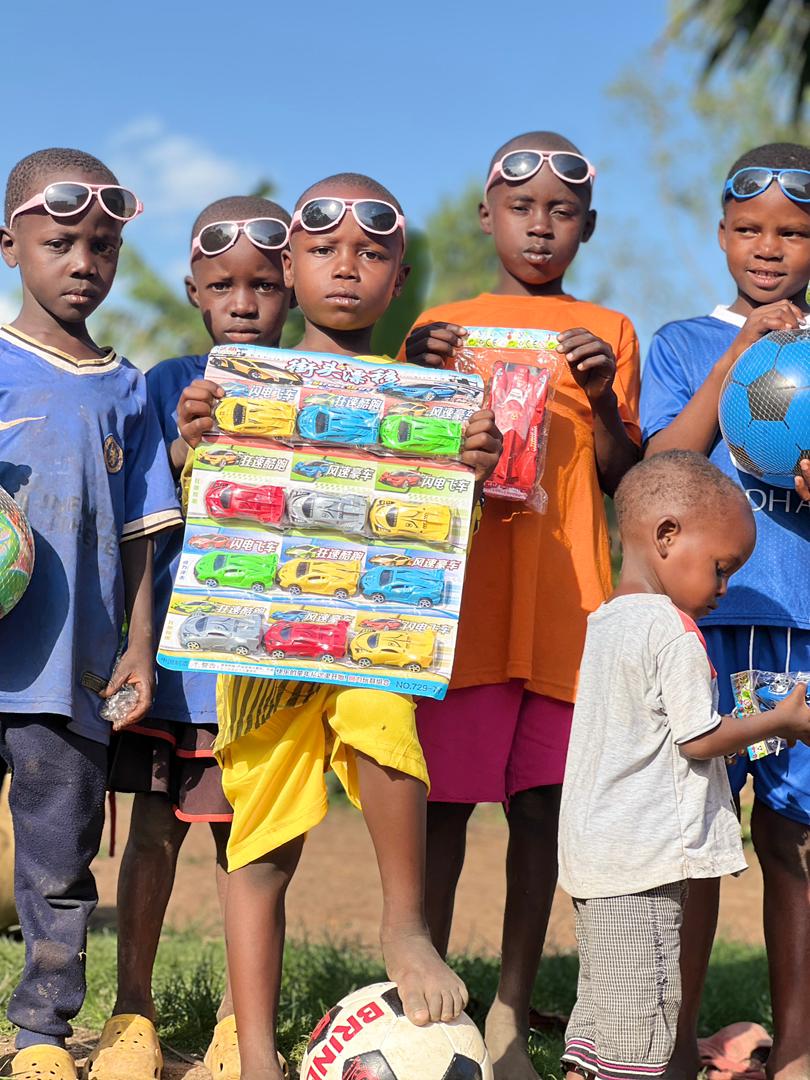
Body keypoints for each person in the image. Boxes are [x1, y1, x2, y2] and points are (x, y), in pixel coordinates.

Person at [178, 172, 503, 1080]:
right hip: (266, 644)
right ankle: (252, 1055)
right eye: (323, 251)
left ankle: (405, 927)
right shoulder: (238, 383)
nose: (346, 268)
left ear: (400, 278)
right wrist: (196, 440)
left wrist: (465, 469)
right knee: (262, 832)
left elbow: (441, 545)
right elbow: (204, 510)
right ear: (291, 266)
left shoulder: (429, 395)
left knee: (379, 714)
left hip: (372, 636)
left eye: (371, 254)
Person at [401, 131, 641, 1078]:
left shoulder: (610, 330)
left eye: (563, 211)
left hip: (565, 615)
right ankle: (430, 995)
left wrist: (603, 402)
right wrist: (420, 374)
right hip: (464, 614)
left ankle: (507, 1015)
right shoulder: (442, 321)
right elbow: (406, 459)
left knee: (543, 814)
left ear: (588, 225)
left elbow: (627, 476)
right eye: (522, 207)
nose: (542, 226)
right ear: (485, 215)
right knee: (446, 813)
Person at [87, 196, 294, 1080]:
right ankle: (131, 1010)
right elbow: (130, 511)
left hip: (265, 666)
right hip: (175, 666)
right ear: (193, 291)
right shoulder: (162, 384)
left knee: (248, 843)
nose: (244, 302)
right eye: (224, 285)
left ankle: (234, 1027)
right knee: (151, 833)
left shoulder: (316, 385)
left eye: (263, 285)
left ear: (293, 290)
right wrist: (181, 449)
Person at [0, 148, 182, 1080]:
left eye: (102, 247)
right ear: (9, 247)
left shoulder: (129, 388)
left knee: (58, 860)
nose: (84, 263)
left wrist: (139, 649)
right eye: (61, 242)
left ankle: (40, 1032)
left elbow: (147, 532)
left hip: (70, 667)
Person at [557, 449, 810, 1080]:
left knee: (604, 1009)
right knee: (642, 1020)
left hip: (597, 859)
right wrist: (782, 721)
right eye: (722, 570)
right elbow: (700, 738)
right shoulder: (671, 631)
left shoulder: (608, 621)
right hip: (645, 864)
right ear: (667, 536)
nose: (725, 591)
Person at [640, 142, 810, 1080]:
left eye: (792, 232)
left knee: (794, 839)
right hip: (702, 633)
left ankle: (796, 1049)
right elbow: (666, 461)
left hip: (805, 625)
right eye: (750, 230)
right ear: (720, 236)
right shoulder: (683, 343)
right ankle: (666, 1045)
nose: (770, 248)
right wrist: (743, 353)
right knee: (693, 841)